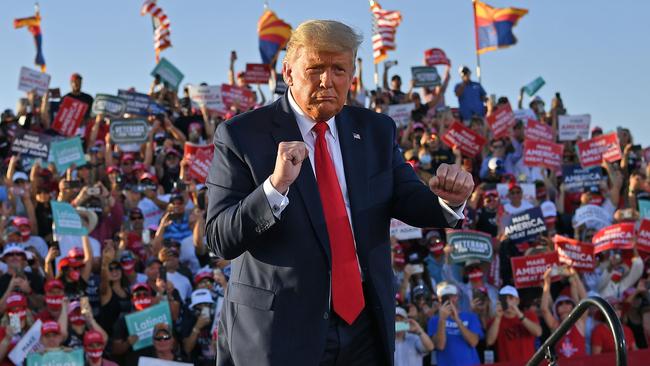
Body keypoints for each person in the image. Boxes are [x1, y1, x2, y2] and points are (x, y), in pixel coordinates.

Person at [206, 20, 474, 365]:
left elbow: (410, 197)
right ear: (288, 72)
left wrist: (449, 199)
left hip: (364, 327)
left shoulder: (376, 130)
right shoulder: (241, 135)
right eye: (315, 68)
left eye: (338, 69)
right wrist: (275, 187)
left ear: (352, 75)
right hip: (280, 331)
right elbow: (219, 238)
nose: (327, 81)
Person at [428, 282, 483, 366]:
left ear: (457, 297)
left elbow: (473, 342)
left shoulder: (471, 316)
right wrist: (442, 319)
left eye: (452, 296)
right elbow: (440, 346)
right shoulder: (434, 320)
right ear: (440, 300)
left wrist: (457, 320)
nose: (450, 300)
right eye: (446, 298)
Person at [486, 285, 542, 363]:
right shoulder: (495, 320)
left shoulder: (529, 315)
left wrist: (518, 314)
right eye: (504, 299)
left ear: (517, 300)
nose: (508, 301)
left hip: (528, 363)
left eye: (511, 298)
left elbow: (538, 332)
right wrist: (498, 317)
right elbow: (489, 341)